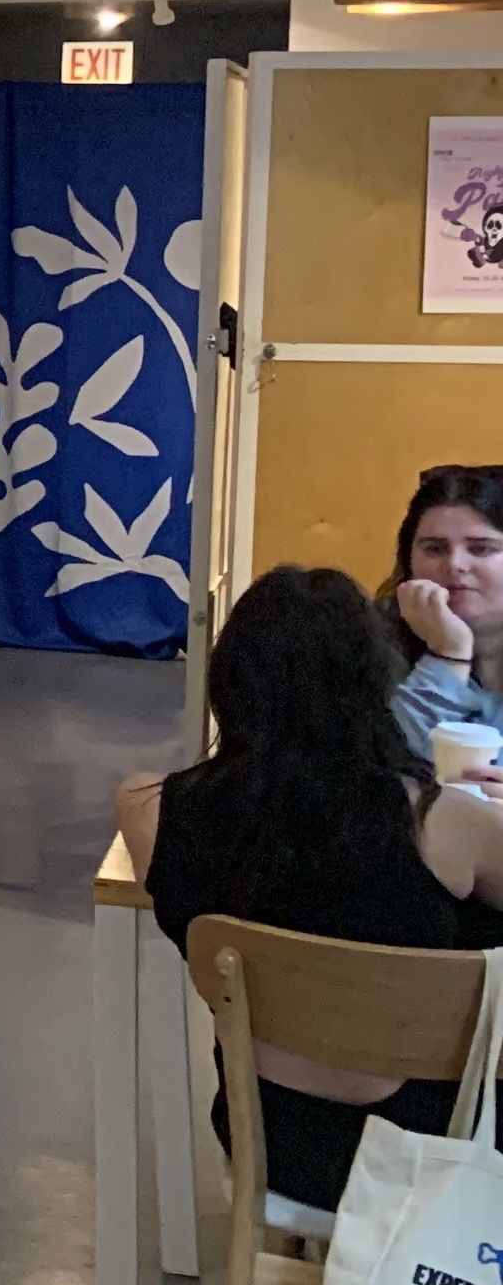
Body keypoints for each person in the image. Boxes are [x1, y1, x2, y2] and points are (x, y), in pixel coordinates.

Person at [118, 565, 503, 1224]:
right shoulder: (443, 826)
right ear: (375, 682)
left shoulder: (152, 809)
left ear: (230, 679)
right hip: (428, 1162)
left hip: (268, 1146)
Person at [383, 461, 503, 770]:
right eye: (434, 549)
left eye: (481, 549)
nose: (455, 565)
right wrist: (448, 655)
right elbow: (387, 782)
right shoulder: (369, 653)